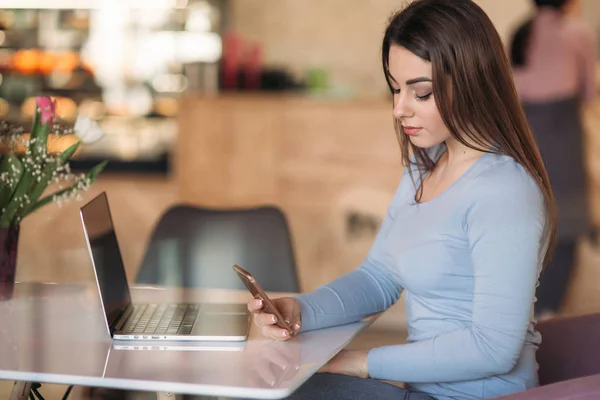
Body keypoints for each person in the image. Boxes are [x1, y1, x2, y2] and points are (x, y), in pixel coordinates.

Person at [248, 0, 557, 399]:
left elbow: (493, 347)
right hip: (423, 392)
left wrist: (362, 362)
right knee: (270, 385)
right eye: (395, 88)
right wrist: (302, 311)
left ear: (471, 81)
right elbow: (378, 278)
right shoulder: (424, 167)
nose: (399, 109)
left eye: (421, 92)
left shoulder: (504, 190)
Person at [510, 0, 597, 319]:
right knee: (567, 230)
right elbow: (589, 91)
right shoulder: (577, 31)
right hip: (562, 137)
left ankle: (527, 315)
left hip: (526, 138)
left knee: (533, 226)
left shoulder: (521, 31)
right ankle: (547, 314)